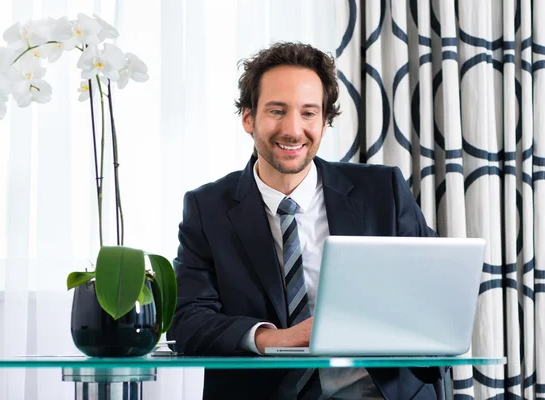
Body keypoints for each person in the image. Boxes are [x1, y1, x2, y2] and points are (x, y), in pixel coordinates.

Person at [167, 42, 444, 400]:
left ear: (325, 122)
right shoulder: (207, 209)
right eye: (277, 111)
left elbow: (434, 293)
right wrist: (270, 338)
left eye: (309, 113)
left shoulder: (383, 191)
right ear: (248, 119)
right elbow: (187, 319)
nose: (293, 130)